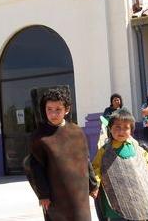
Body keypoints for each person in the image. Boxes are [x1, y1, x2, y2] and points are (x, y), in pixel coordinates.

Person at [27, 87, 97, 220]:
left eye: (58, 109)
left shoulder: (77, 132)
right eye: (49, 109)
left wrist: (93, 185)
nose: (53, 114)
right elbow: (36, 168)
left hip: (79, 193)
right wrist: (43, 195)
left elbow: (85, 160)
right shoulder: (39, 136)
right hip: (55, 195)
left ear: (67, 109)